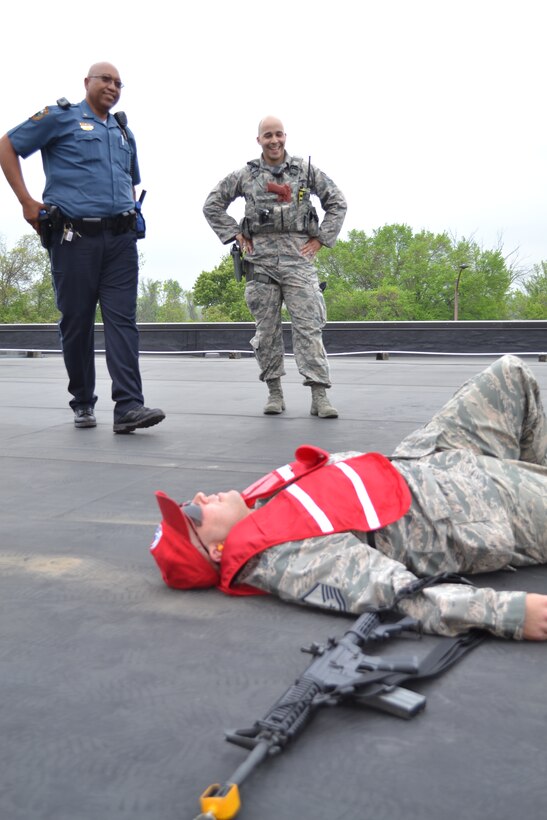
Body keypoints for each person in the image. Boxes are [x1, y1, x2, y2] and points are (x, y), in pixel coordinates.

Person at [150, 355, 547, 641]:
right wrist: (507, 614)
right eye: (193, 512)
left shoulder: (260, 508)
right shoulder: (287, 559)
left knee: (509, 374)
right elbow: (393, 594)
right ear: (218, 551)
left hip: (429, 460)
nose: (199, 497)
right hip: (474, 507)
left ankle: (532, 482)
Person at [0, 62, 165, 434]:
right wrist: (26, 201)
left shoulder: (124, 131)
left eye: (119, 83)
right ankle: (82, 402)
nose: (113, 86)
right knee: (77, 322)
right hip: (74, 238)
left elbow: (129, 181)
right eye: (105, 79)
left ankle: (128, 407)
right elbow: (7, 145)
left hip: (121, 241)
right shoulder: (59, 118)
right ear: (86, 82)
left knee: (123, 320)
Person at [203, 116, 347, 418]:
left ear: (285, 136)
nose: (274, 141)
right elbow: (212, 204)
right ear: (259, 140)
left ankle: (319, 395)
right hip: (261, 263)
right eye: (267, 135)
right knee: (266, 332)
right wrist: (235, 234)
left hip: (299, 260)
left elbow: (337, 202)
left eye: (278, 134)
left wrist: (321, 239)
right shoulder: (246, 175)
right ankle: (274, 392)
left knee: (309, 328)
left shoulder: (305, 171)